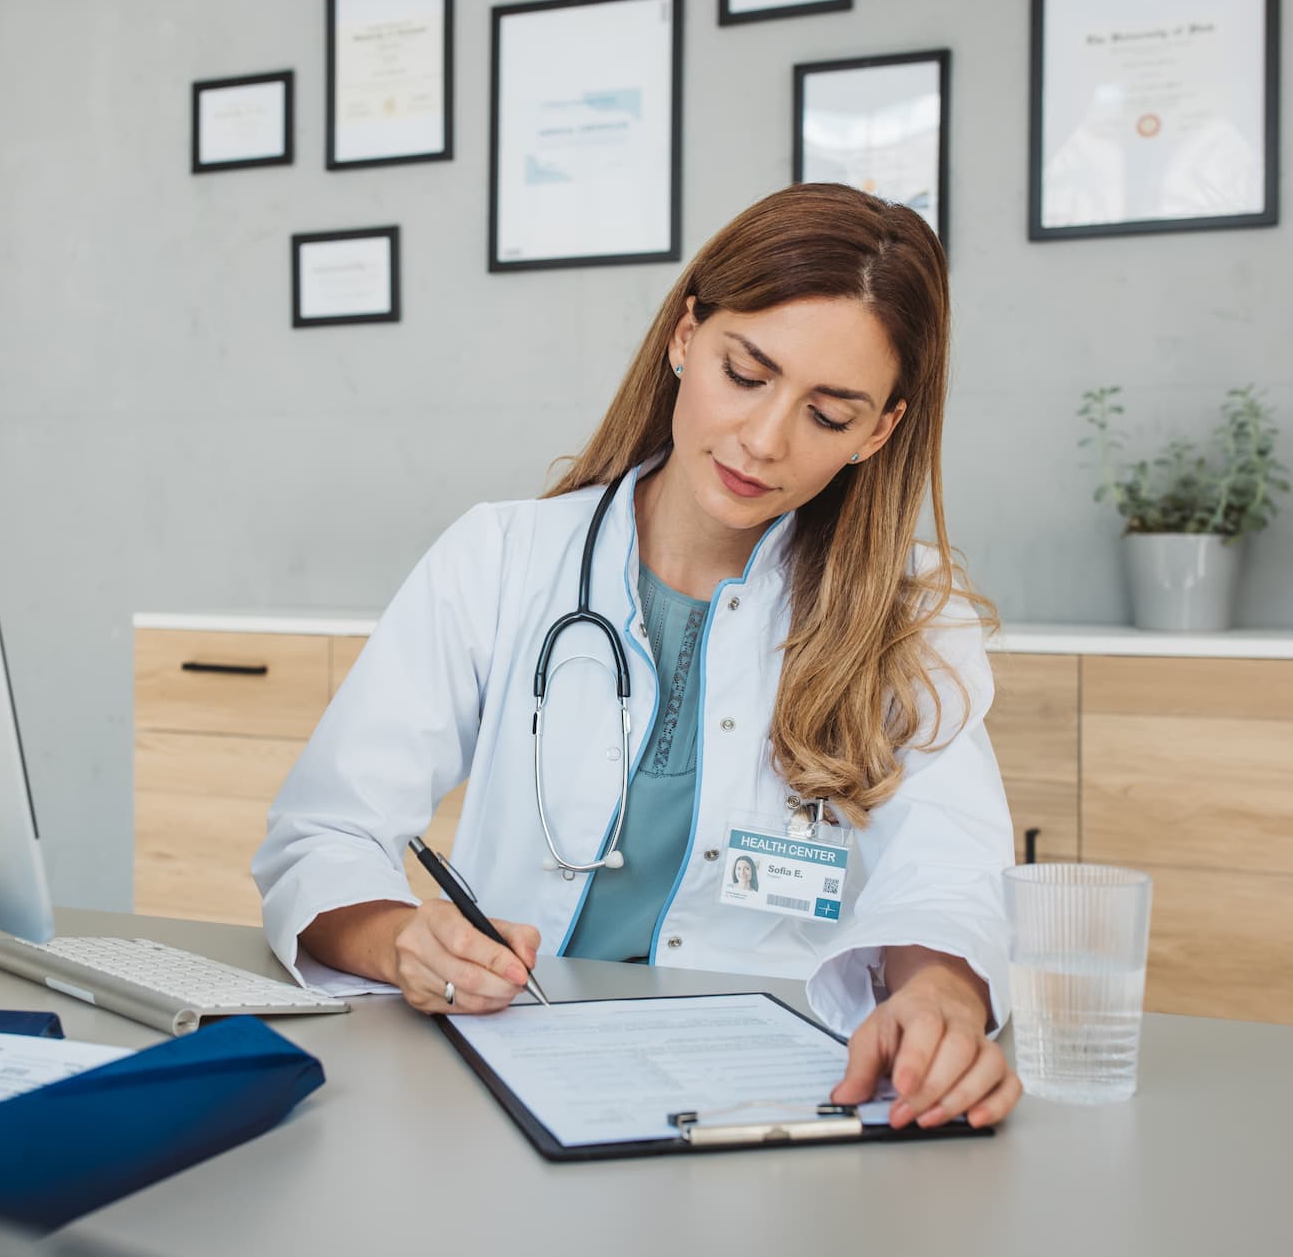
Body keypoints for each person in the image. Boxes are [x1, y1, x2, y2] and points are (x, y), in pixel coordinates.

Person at [253, 183, 1021, 1130]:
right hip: (503, 1077)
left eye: (829, 415)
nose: (764, 439)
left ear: (880, 431)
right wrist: (403, 939)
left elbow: (946, 875)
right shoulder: (500, 560)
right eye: (747, 374)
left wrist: (940, 999)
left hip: (768, 1105)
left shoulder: (909, 616)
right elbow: (322, 836)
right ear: (685, 336)